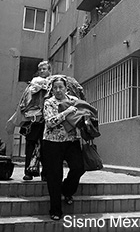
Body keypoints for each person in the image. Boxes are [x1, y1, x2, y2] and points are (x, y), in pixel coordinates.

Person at [42, 76, 85, 221]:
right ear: (52, 89)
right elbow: (50, 122)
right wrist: (67, 112)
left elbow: (81, 116)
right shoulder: (49, 102)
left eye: (61, 87)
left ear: (66, 88)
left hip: (71, 141)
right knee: (54, 176)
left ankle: (66, 190)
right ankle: (55, 210)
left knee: (79, 167)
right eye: (55, 88)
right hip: (52, 143)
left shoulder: (73, 100)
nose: (58, 90)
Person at [20, 61, 51, 181]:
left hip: (48, 120)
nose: (42, 71)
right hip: (33, 119)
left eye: (44, 69)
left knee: (46, 147)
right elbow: (24, 101)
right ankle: (28, 172)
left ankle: (45, 173)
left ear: (49, 70)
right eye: (40, 69)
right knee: (30, 145)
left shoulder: (53, 84)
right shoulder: (32, 84)